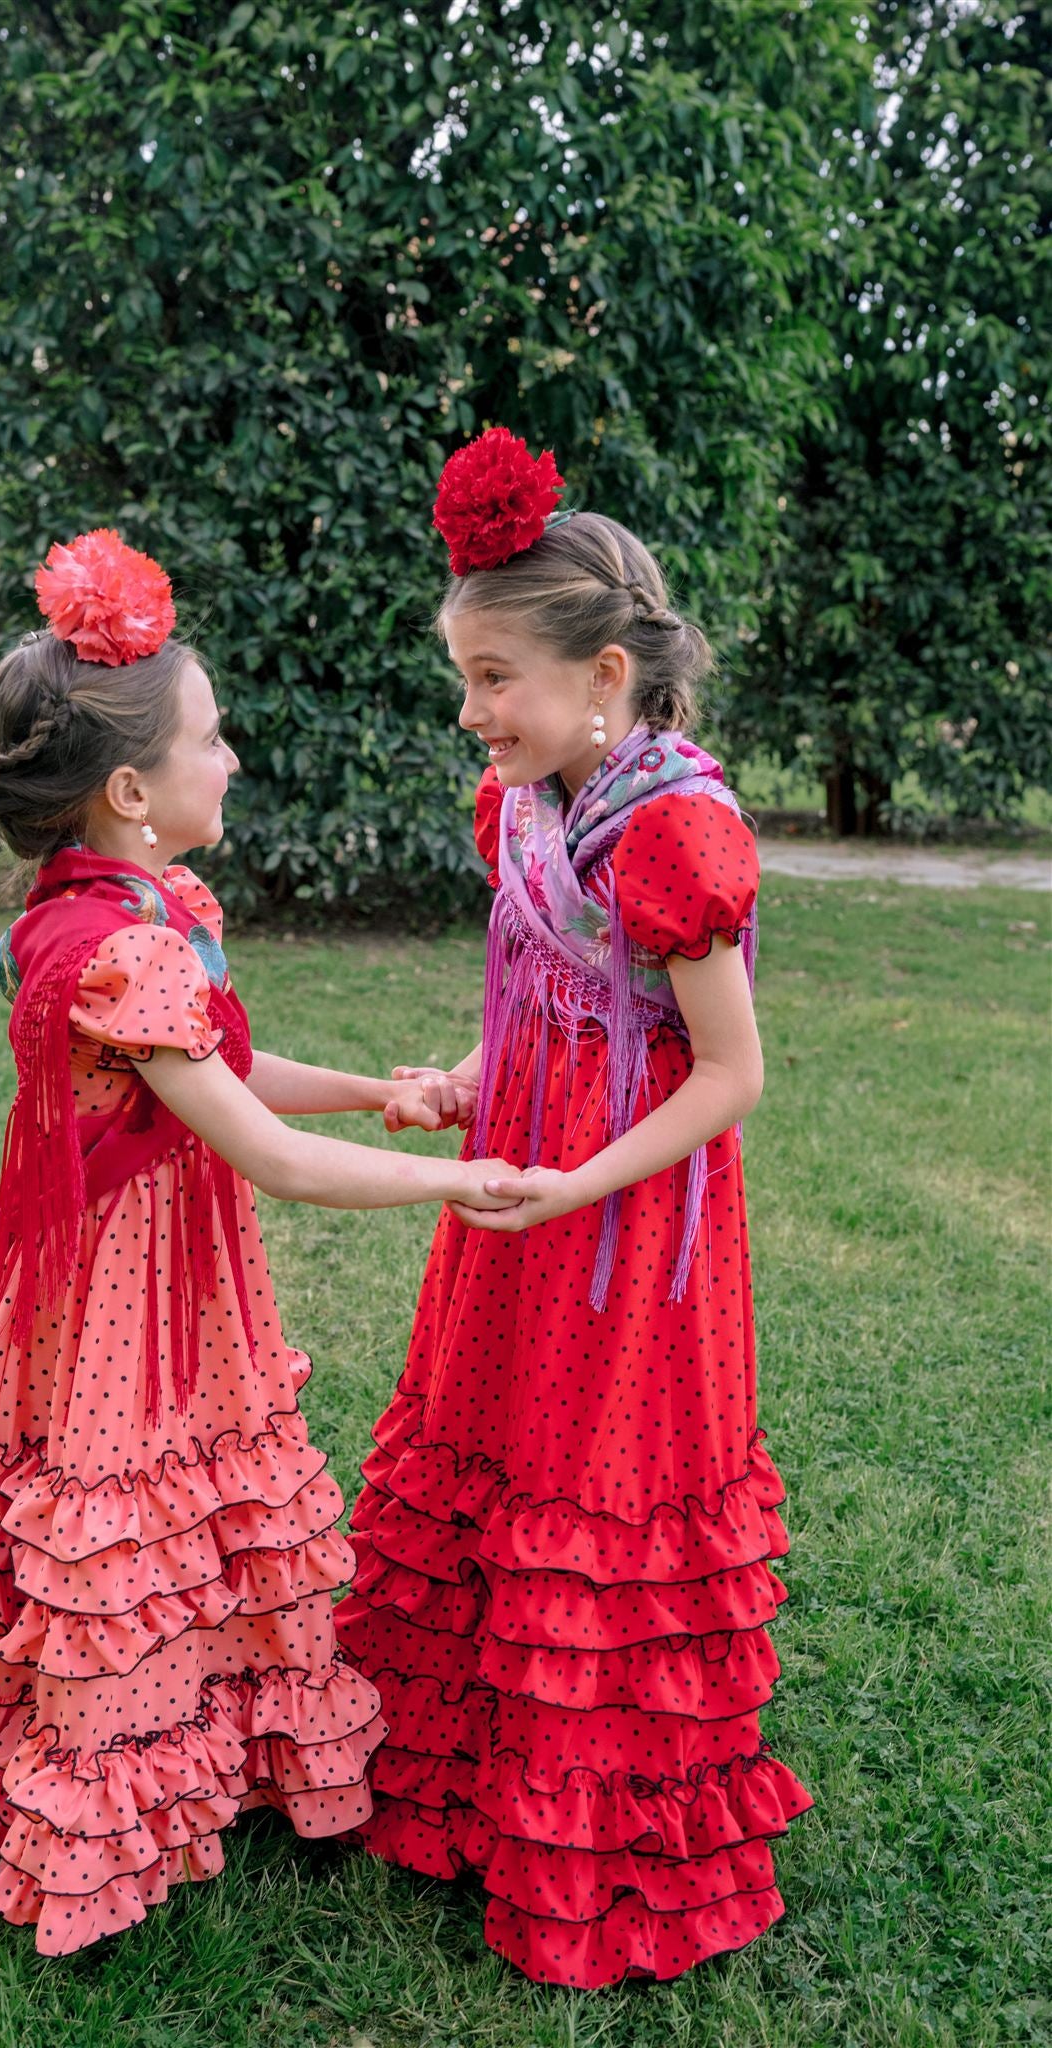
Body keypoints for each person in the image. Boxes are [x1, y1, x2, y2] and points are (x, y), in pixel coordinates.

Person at [0, 527, 508, 1957]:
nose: (236, 760)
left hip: (128, 1266)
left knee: (130, 1523)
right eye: (214, 737)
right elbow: (257, 1150)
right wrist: (458, 1181)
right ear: (132, 791)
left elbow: (228, 1076)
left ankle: (144, 1751)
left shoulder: (116, 907)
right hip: (130, 1287)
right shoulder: (125, 944)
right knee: (109, 1520)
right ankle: (89, 1799)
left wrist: (385, 1092)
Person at [337, 430, 813, 1988]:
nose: (470, 712)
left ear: (603, 675)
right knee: (496, 1459)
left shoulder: (675, 830)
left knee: (596, 1493)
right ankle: (470, 1787)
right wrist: (473, 1080)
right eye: (463, 677)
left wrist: (579, 1185)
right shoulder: (531, 802)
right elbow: (551, 988)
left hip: (624, 1228)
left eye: (492, 679)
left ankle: (601, 1824)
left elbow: (729, 1073)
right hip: (528, 1185)